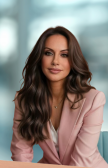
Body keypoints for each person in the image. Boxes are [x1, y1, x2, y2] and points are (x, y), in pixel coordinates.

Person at [10, 26, 107, 167]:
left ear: (73, 60)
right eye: (48, 53)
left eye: (64, 55)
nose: (55, 61)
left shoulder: (93, 100)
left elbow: (81, 161)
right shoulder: (25, 100)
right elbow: (20, 152)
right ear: (39, 58)